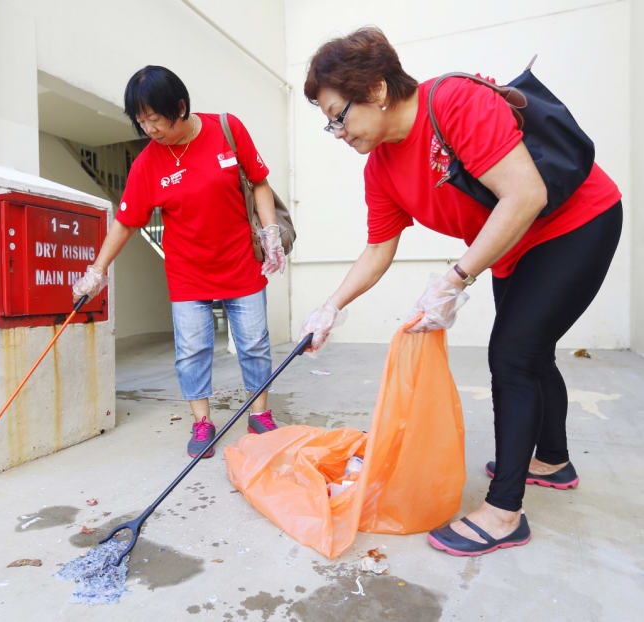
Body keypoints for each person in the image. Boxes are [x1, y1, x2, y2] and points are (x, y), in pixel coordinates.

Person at [299, 27, 622, 556]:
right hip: (508, 243)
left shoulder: (452, 102)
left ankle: (503, 513)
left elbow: (526, 193)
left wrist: (454, 278)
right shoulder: (381, 167)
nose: (336, 131)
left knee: (513, 354)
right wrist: (330, 307)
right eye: (327, 122)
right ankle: (552, 460)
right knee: (532, 351)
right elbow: (378, 249)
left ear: (377, 90)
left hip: (574, 222)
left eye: (339, 115)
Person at [72, 65, 286, 459]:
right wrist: (97, 270)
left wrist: (270, 234)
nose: (149, 129)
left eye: (155, 119)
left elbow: (258, 181)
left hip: (240, 263)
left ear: (181, 107)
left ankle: (259, 413)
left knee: (254, 344)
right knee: (192, 350)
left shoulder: (226, 129)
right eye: (141, 121)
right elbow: (126, 221)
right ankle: (202, 421)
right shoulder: (148, 164)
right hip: (188, 273)